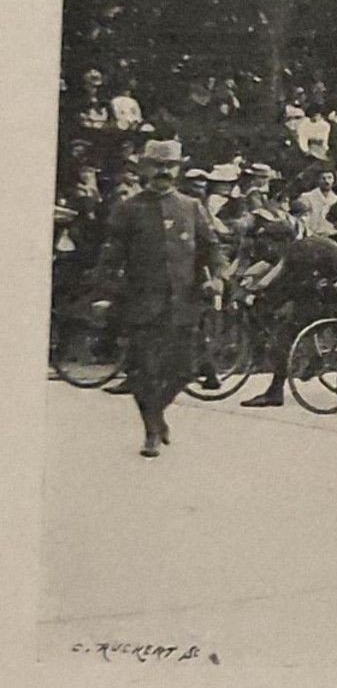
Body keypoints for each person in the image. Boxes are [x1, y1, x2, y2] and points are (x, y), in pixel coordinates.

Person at [91, 140, 225, 457]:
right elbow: (109, 259)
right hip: (140, 302)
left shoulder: (192, 206)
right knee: (143, 371)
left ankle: (157, 413)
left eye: (170, 166)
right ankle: (151, 432)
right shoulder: (128, 209)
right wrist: (106, 294)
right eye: (157, 165)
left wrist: (218, 277)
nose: (163, 171)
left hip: (184, 302)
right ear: (144, 168)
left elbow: (214, 248)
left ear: (178, 170)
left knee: (185, 368)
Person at [236, 206, 337, 408]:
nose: (270, 250)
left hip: (336, 292)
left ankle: (275, 392)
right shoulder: (296, 247)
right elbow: (279, 275)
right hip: (331, 288)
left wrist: (263, 298)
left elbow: (291, 286)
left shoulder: (300, 252)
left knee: (284, 334)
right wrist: (257, 289)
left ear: (280, 242)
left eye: (271, 245)